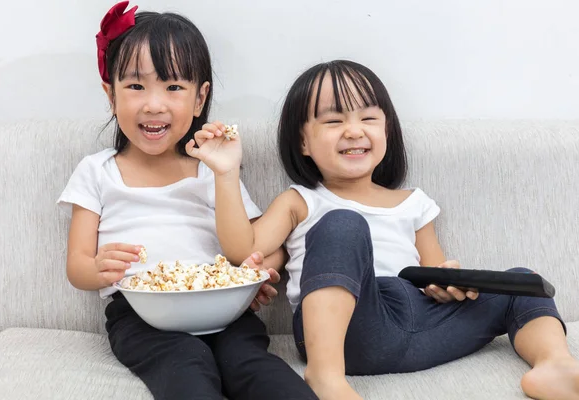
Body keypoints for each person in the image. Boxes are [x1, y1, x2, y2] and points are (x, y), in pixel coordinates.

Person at [187, 59, 579, 400]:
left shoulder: (414, 202)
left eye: (368, 118)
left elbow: (433, 274)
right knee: (343, 224)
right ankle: (326, 376)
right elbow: (243, 252)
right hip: (349, 330)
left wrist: (445, 281)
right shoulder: (300, 201)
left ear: (386, 131)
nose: (354, 130)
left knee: (521, 282)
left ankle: (555, 365)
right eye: (334, 120)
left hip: (422, 324)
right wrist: (226, 173)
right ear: (303, 142)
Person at [57, 2, 317, 399]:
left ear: (200, 99)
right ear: (111, 94)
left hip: (224, 310)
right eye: (136, 86)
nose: (154, 103)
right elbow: (77, 266)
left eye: (174, 87)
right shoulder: (97, 172)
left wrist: (256, 274)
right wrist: (97, 267)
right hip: (142, 318)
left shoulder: (213, 169)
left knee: (257, 370)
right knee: (185, 371)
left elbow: (259, 245)